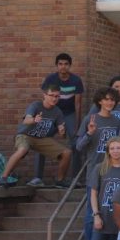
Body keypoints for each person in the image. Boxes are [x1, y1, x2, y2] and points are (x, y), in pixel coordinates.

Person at [0, 85, 71, 187]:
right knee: (22, 150)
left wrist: (62, 131)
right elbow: (26, 120)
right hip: (25, 135)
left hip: (41, 139)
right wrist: (34, 120)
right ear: (44, 95)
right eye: (51, 95)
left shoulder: (57, 112)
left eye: (57, 96)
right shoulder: (36, 105)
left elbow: (62, 134)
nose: (54, 98)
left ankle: (60, 180)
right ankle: (3, 178)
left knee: (67, 153)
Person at [37, 53, 85, 183]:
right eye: (60, 64)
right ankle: (37, 177)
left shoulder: (76, 80)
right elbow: (45, 100)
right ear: (57, 65)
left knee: (76, 144)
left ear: (70, 66)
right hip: (52, 114)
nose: (63, 67)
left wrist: (77, 125)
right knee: (40, 140)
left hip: (69, 114)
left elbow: (78, 104)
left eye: (66, 64)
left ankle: (76, 178)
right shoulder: (50, 79)